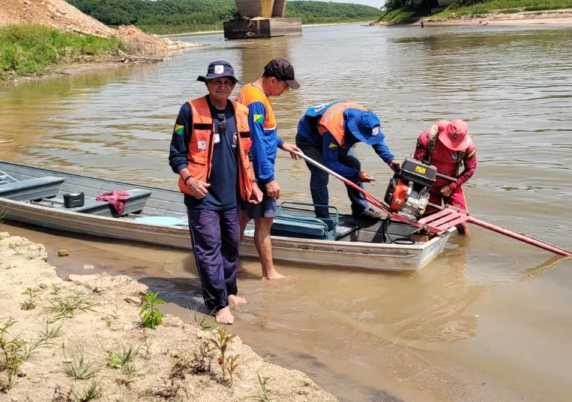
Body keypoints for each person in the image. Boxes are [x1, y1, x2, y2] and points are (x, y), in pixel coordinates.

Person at [169, 60, 263, 325]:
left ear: (233, 86)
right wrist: (190, 180)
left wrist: (254, 184)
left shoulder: (241, 112)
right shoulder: (189, 110)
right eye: (216, 82)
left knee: (231, 247)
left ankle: (230, 291)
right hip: (202, 196)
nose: (222, 86)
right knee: (209, 249)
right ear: (208, 84)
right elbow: (175, 155)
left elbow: (248, 153)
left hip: (232, 196)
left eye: (227, 82)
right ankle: (218, 305)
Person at [235, 58, 303, 281]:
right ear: (273, 80)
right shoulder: (256, 100)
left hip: (244, 169)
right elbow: (255, 140)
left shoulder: (249, 90)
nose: (286, 91)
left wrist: (282, 143)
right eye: (285, 85)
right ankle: (269, 273)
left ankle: (231, 266)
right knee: (264, 221)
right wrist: (268, 178)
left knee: (242, 218)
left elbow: (263, 132)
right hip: (257, 171)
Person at [295, 101, 401, 220]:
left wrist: (390, 159)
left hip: (332, 135)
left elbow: (375, 138)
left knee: (354, 164)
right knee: (321, 174)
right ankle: (322, 217)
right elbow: (330, 163)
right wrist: (356, 175)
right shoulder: (334, 129)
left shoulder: (366, 118)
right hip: (310, 139)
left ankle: (361, 210)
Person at [414, 119, 477, 235]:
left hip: (452, 182)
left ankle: (461, 251)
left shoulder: (468, 147)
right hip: (428, 183)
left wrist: (451, 186)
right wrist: (425, 187)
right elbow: (418, 164)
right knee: (430, 222)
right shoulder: (427, 138)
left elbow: (470, 169)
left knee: (461, 222)